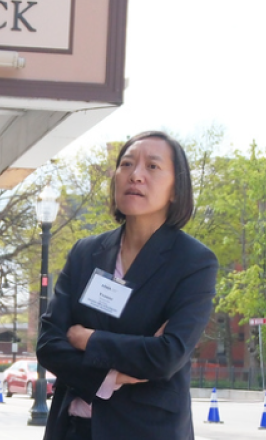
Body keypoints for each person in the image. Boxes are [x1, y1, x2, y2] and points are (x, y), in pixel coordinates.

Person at [36, 131, 218, 440]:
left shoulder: (193, 262)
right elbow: (49, 345)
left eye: (152, 167)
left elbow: (167, 355)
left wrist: (88, 339)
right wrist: (113, 375)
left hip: (146, 430)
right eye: (127, 164)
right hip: (73, 429)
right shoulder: (85, 252)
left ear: (176, 189)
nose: (135, 175)